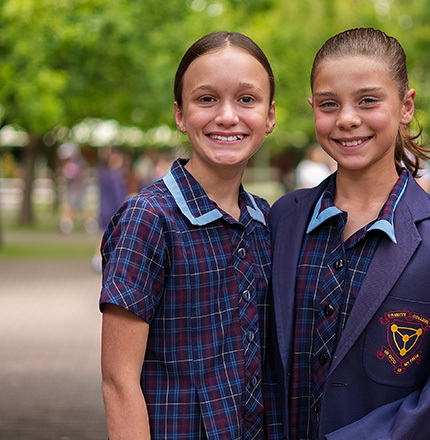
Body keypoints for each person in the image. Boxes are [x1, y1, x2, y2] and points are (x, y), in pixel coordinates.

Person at [268, 28, 430, 440]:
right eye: (329, 104)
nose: (346, 118)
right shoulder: (282, 220)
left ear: (406, 106)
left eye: (368, 100)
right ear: (312, 108)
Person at [99, 31, 277, 439]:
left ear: (269, 116)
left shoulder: (266, 221)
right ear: (180, 114)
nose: (227, 116)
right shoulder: (148, 219)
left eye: (246, 99)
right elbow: (117, 381)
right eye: (207, 99)